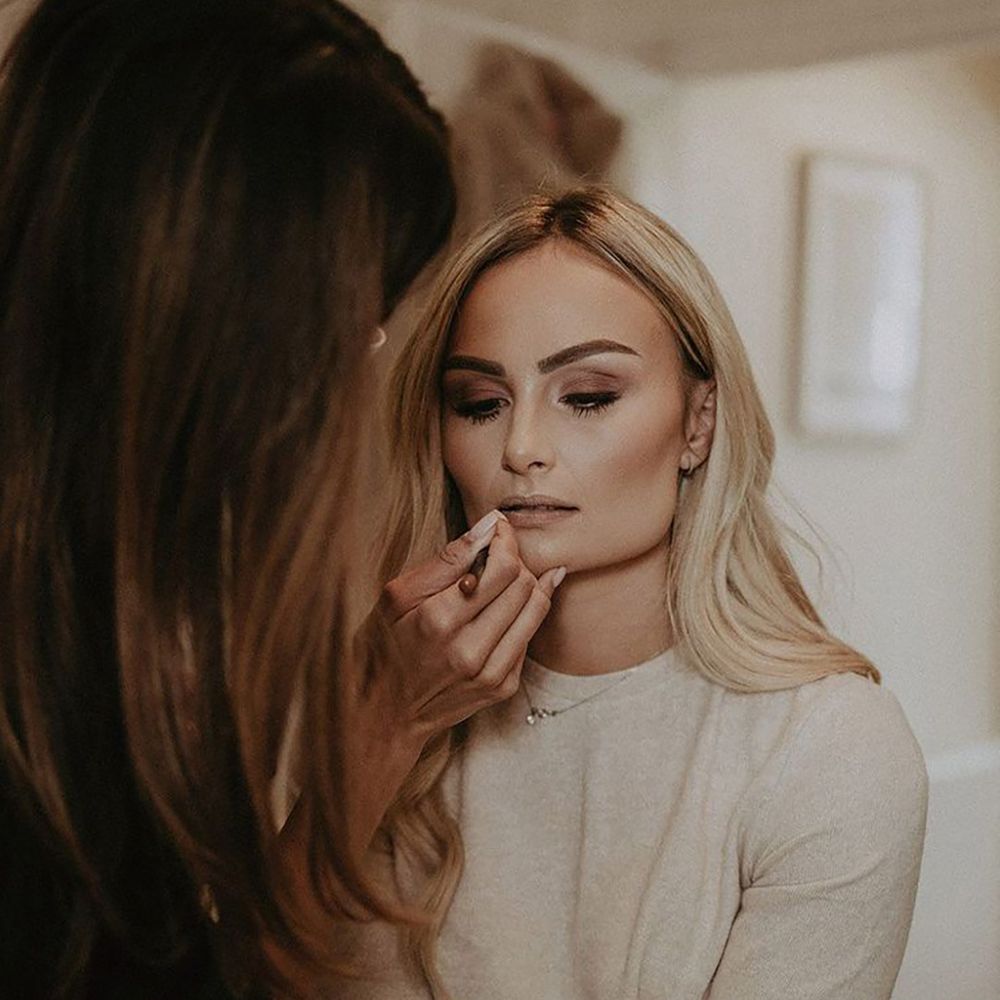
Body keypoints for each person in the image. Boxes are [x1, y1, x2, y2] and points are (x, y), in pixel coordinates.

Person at [0, 1, 561, 997]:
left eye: (591, 394)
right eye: (350, 320)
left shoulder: (101, 635)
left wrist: (380, 716)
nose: (364, 364)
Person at [336, 186, 929, 999]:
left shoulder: (826, 746)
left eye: (587, 397)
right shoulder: (385, 701)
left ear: (698, 423)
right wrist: (380, 725)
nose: (522, 448)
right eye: (480, 403)